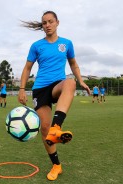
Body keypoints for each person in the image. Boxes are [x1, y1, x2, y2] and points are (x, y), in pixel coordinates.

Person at [18, 11, 90, 181]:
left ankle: (56, 128)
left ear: (57, 22)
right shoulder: (36, 46)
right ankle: (56, 165)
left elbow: (73, 64)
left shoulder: (67, 43)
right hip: (40, 89)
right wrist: (22, 88)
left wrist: (81, 81)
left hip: (58, 85)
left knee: (70, 83)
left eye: (51, 21)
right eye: (44, 23)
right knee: (44, 128)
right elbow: (27, 68)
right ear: (42, 26)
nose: (48, 25)